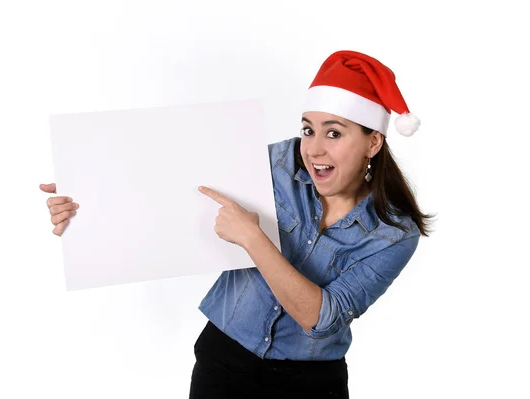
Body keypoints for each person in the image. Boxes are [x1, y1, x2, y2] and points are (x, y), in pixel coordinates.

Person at [40, 50, 434, 399]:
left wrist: (252, 237)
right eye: (308, 129)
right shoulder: (277, 162)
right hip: (222, 361)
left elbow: (323, 318)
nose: (313, 149)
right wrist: (88, 198)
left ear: (373, 142)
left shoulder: (394, 233)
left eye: (334, 133)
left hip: (311, 383)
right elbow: (169, 185)